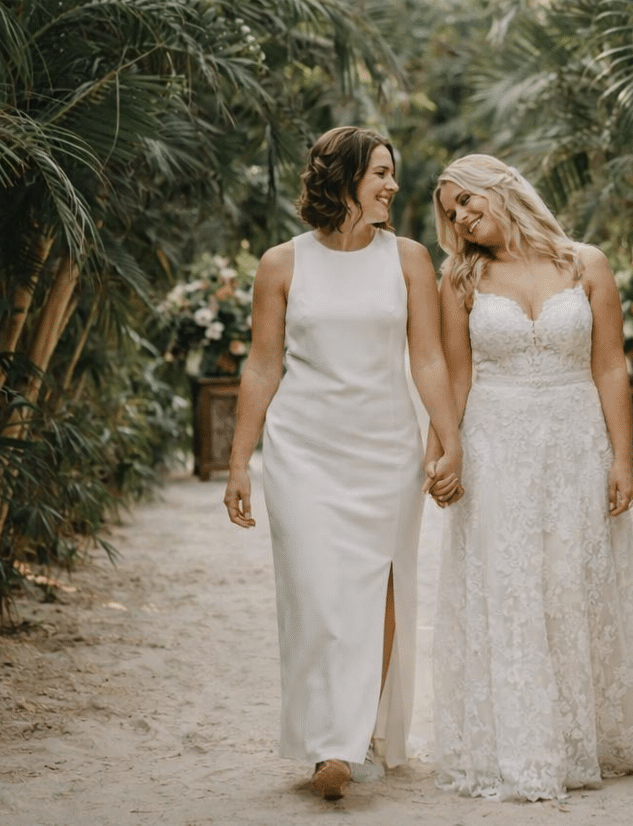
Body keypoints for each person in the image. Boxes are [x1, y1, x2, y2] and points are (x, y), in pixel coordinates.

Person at [426, 154, 633, 802]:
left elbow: (610, 368)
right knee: (513, 585)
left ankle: (583, 737)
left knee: (573, 580)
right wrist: (444, 451)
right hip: (498, 443)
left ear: (502, 189)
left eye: (466, 199)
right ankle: (526, 747)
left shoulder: (586, 263)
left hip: (577, 443)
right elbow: (455, 376)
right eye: (450, 210)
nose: (461, 216)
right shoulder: (460, 279)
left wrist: (623, 459)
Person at [223, 127, 463, 802]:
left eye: (393, 173)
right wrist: (241, 461)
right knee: (315, 587)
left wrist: (449, 439)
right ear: (344, 177)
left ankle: (349, 742)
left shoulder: (410, 260)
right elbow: (263, 365)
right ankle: (330, 737)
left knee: (376, 588)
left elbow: (429, 359)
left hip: (385, 448)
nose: (392, 185)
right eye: (381, 173)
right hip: (302, 450)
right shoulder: (281, 264)